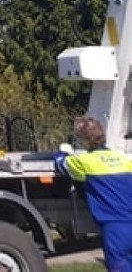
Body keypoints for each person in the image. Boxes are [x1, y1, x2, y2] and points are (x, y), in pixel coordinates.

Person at [55, 116, 132, 272]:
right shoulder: (124, 159)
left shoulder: (85, 162)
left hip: (115, 228)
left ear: (84, 142)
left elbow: (61, 164)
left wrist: (62, 153)